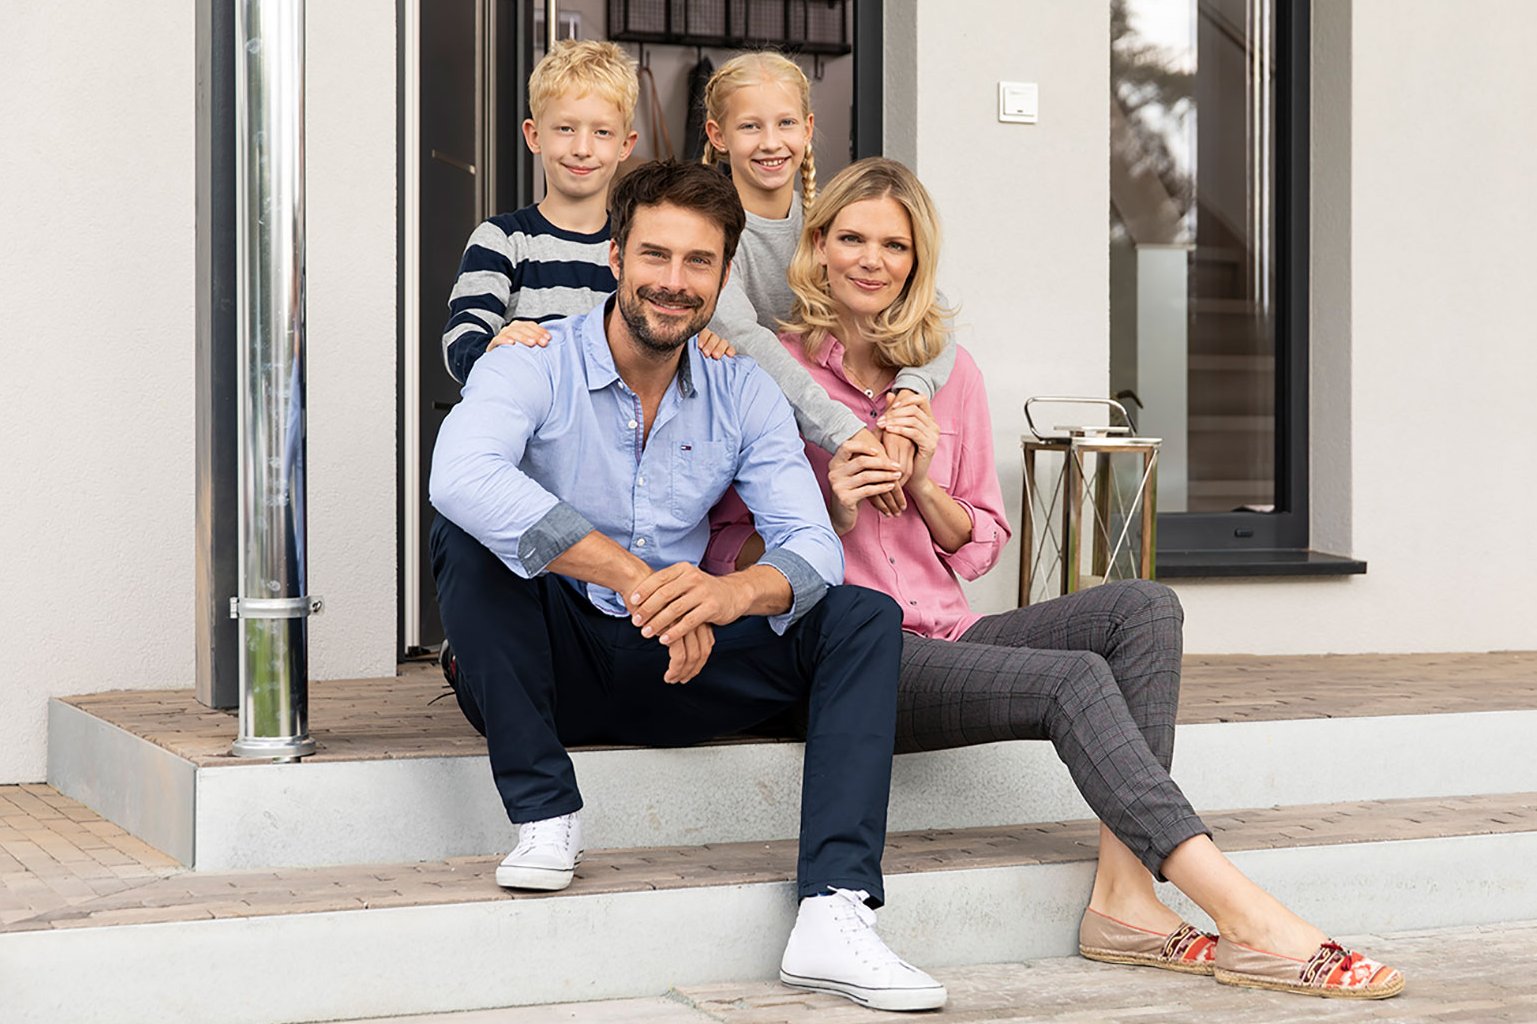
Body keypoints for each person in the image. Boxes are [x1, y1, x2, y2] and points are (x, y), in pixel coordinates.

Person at [708, 157, 1407, 1001]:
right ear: (815, 249)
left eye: (893, 244)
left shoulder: (943, 374)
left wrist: (925, 483)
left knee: (1143, 608)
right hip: (850, 658)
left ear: (916, 259)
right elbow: (724, 559)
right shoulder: (761, 371)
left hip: (949, 633)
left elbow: (980, 545)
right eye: (850, 238)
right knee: (1072, 678)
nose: (870, 259)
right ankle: (1242, 909)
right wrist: (833, 510)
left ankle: (1125, 899)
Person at [428, 160, 947, 1013]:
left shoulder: (743, 388)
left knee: (860, 614)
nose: (672, 283)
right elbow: (460, 475)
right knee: (472, 535)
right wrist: (638, 579)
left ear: (722, 273)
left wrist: (725, 598)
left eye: (697, 263)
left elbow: (811, 541)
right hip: (548, 670)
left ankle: (833, 909)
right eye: (654, 257)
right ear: (614, 257)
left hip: (680, 662)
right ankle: (545, 811)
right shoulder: (533, 359)